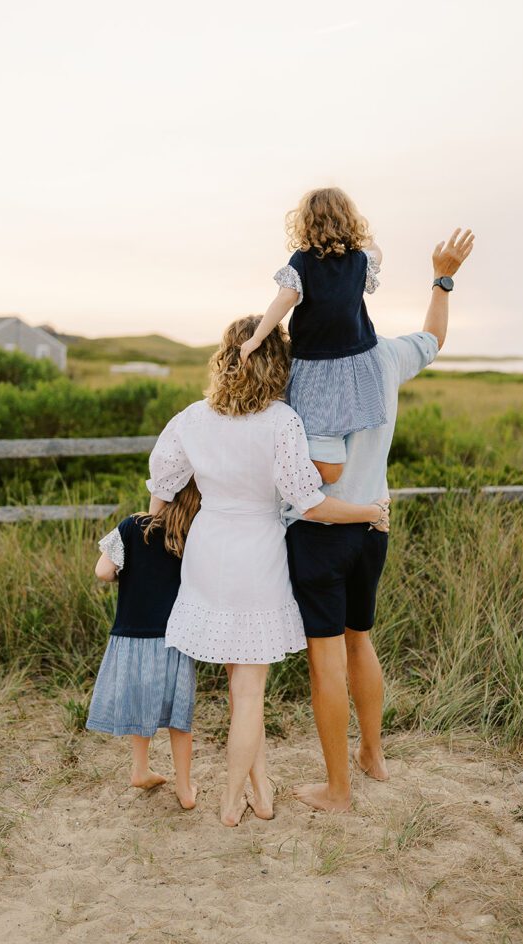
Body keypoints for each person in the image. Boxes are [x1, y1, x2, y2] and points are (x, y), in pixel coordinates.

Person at [145, 317, 389, 827]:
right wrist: (368, 512)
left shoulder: (191, 417)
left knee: (239, 680)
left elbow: (162, 490)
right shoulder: (282, 422)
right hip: (256, 552)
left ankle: (261, 788)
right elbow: (312, 504)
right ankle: (232, 801)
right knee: (248, 689)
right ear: (280, 364)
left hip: (210, 549)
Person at [286, 227, 475, 812]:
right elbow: (435, 337)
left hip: (320, 530)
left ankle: (337, 790)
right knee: (360, 640)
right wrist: (443, 277)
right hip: (374, 529)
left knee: (326, 659)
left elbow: (314, 465)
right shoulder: (389, 356)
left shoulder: (304, 369)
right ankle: (373, 755)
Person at [240, 187, 385, 485]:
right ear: (348, 220)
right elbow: (377, 253)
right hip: (353, 358)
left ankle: (313, 483)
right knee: (338, 429)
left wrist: (256, 338)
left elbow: (283, 299)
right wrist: (366, 236)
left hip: (315, 362)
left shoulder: (304, 260)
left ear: (306, 223)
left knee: (312, 430)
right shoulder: (359, 259)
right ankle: (324, 479)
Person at [86, 480, 201, 810]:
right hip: (174, 638)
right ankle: (184, 788)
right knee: (179, 718)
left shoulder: (132, 527)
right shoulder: (192, 534)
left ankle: (139, 769)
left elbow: (103, 572)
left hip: (132, 635)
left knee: (141, 707)